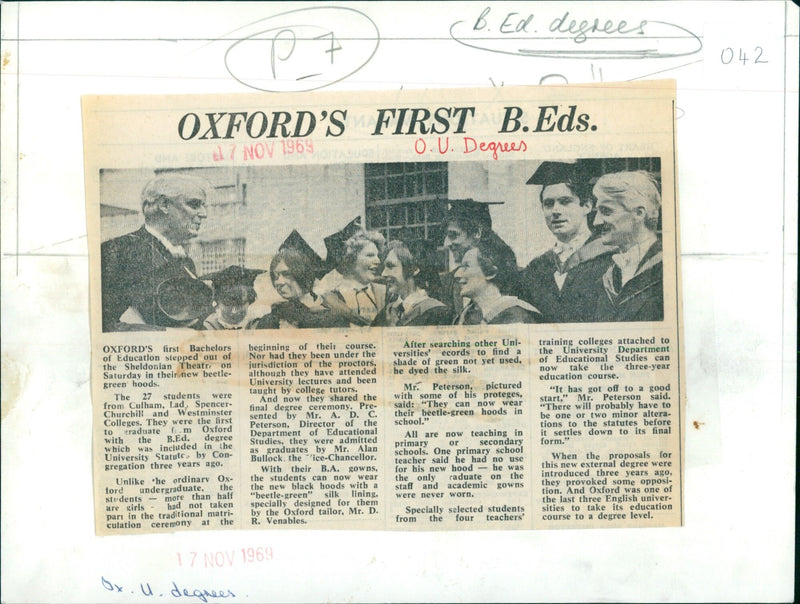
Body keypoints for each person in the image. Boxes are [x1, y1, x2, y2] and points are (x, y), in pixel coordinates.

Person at [100, 174, 212, 331]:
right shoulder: (117, 250)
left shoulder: (186, 262)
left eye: (203, 206)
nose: (203, 214)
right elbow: (101, 324)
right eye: (194, 205)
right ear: (164, 205)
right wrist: (168, 335)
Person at [519, 161, 615, 323]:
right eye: (548, 204)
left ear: (586, 206)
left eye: (565, 201)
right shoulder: (536, 268)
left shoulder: (611, 259)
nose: (555, 211)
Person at [592, 170, 664, 321]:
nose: (596, 222)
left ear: (638, 213)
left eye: (606, 211)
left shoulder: (666, 268)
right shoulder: (607, 274)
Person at [256, 230, 348, 329]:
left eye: (286, 274)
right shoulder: (269, 321)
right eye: (275, 276)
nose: (278, 282)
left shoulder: (332, 319)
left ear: (304, 273)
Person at [454, 232, 541, 325]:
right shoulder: (466, 315)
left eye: (466, 266)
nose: (456, 274)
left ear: (491, 272)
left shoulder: (514, 317)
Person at [438, 199, 501, 316]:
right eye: (446, 236)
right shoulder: (448, 282)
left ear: (477, 232)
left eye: (453, 235)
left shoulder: (512, 278)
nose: (446, 243)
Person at [373, 239, 453, 326]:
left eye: (390, 266)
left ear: (414, 269)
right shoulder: (388, 312)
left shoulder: (437, 313)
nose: (383, 273)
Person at [321, 228, 387, 326]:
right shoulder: (330, 294)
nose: (378, 261)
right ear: (351, 259)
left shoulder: (384, 292)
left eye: (377, 256)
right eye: (370, 255)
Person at [200, 265, 264, 330]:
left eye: (240, 303)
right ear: (217, 301)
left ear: (250, 300)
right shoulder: (208, 327)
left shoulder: (258, 325)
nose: (234, 311)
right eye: (227, 303)